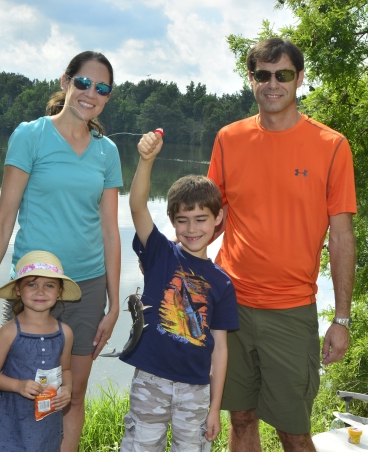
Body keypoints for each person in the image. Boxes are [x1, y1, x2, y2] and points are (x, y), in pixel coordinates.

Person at [0, 50, 122, 451]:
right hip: (33, 283)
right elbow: (4, 217)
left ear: (108, 96)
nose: (91, 93)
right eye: (83, 82)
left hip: (86, 287)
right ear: (65, 81)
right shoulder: (30, 135)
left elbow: (110, 231)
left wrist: (114, 302)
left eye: (101, 88)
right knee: (11, 389)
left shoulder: (108, 152)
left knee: (71, 395)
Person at [207, 38, 357, 452]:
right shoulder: (228, 139)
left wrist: (342, 320)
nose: (273, 84)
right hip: (230, 302)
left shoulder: (331, 146)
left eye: (283, 75)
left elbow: (342, 237)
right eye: (263, 75)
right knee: (240, 419)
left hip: (291, 311)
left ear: (299, 79)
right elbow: (208, 220)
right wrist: (172, 262)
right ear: (251, 80)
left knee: (294, 432)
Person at [119, 131, 239, 451]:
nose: (192, 229)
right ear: (172, 221)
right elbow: (137, 206)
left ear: (218, 219)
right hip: (150, 382)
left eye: (201, 219)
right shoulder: (160, 253)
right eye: (183, 220)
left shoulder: (223, 283)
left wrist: (215, 407)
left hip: (197, 391)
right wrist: (146, 161)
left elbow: (221, 349)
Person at [0, 251, 77, 452]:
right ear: (18, 290)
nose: (40, 291)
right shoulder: (9, 331)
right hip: (9, 417)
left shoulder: (65, 332)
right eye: (32, 284)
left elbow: (66, 370)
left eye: (49, 285)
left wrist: (67, 389)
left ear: (59, 292)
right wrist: (18, 385)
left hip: (46, 421)